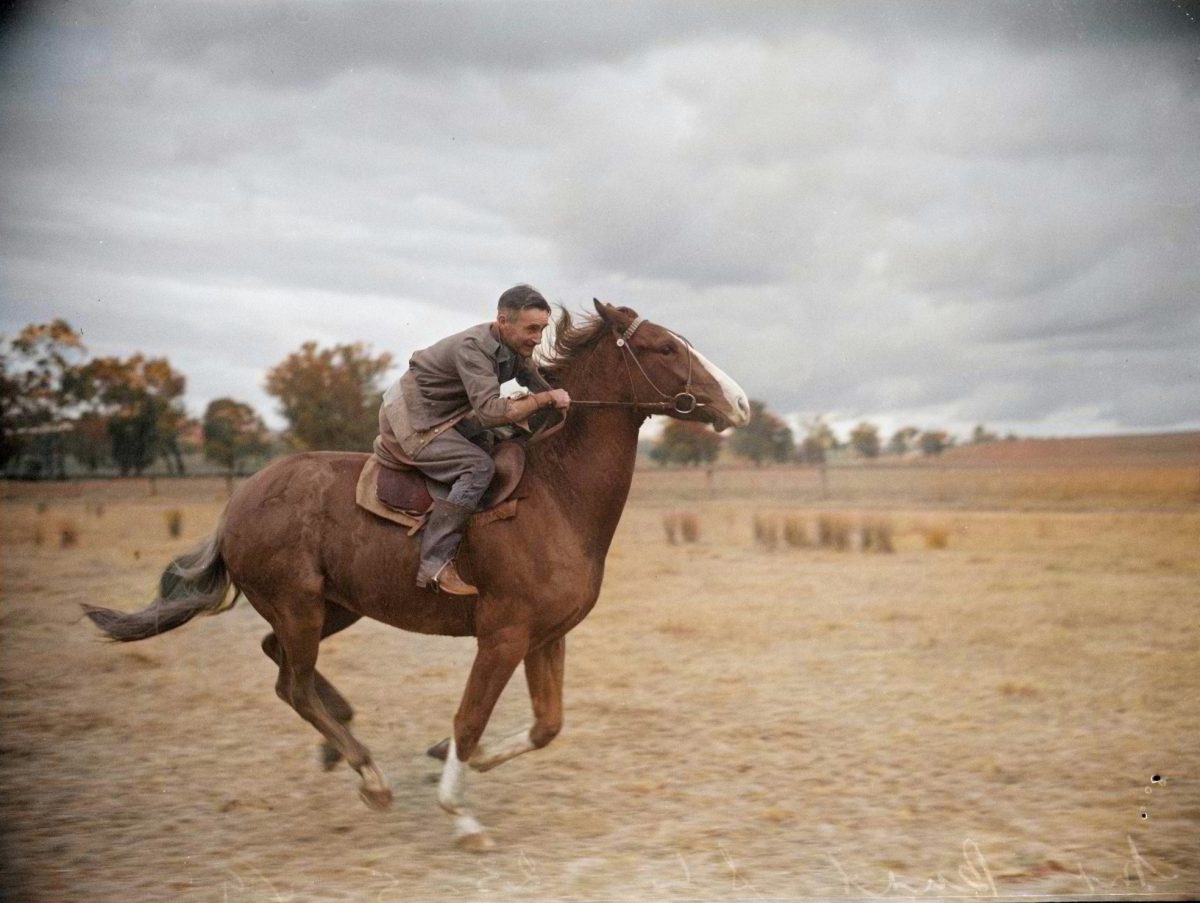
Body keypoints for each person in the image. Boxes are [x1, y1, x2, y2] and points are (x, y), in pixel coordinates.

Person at [373, 284, 571, 596]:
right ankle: (434, 563)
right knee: (478, 467)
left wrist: (563, 398)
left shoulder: (514, 347)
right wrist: (545, 399)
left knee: (502, 443)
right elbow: (492, 411)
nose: (537, 338)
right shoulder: (474, 349)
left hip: (445, 413)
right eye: (531, 329)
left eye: (542, 330)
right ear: (503, 321)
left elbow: (530, 378)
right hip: (412, 418)